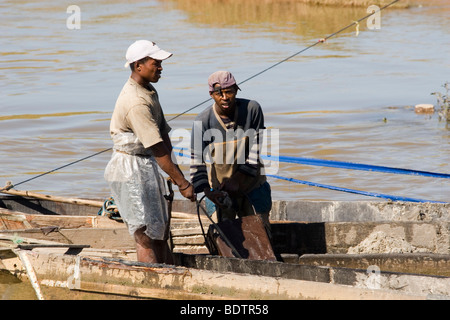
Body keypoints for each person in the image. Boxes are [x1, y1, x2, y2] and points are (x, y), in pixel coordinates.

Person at [104, 40, 195, 264]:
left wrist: (175, 175)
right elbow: (156, 147)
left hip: (147, 165)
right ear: (138, 66)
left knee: (160, 229)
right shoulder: (136, 102)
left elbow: (163, 136)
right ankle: (151, 281)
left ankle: (167, 272)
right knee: (144, 233)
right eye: (157, 63)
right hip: (130, 168)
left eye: (161, 63)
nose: (161, 68)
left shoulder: (149, 90)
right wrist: (182, 183)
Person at [190, 70, 272, 230]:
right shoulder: (203, 121)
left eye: (229, 92)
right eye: (219, 94)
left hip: (252, 185)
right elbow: (196, 162)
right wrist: (208, 192)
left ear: (236, 90)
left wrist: (237, 180)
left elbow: (255, 150)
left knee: (260, 234)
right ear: (211, 94)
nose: (225, 98)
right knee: (225, 236)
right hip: (221, 191)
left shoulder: (252, 110)